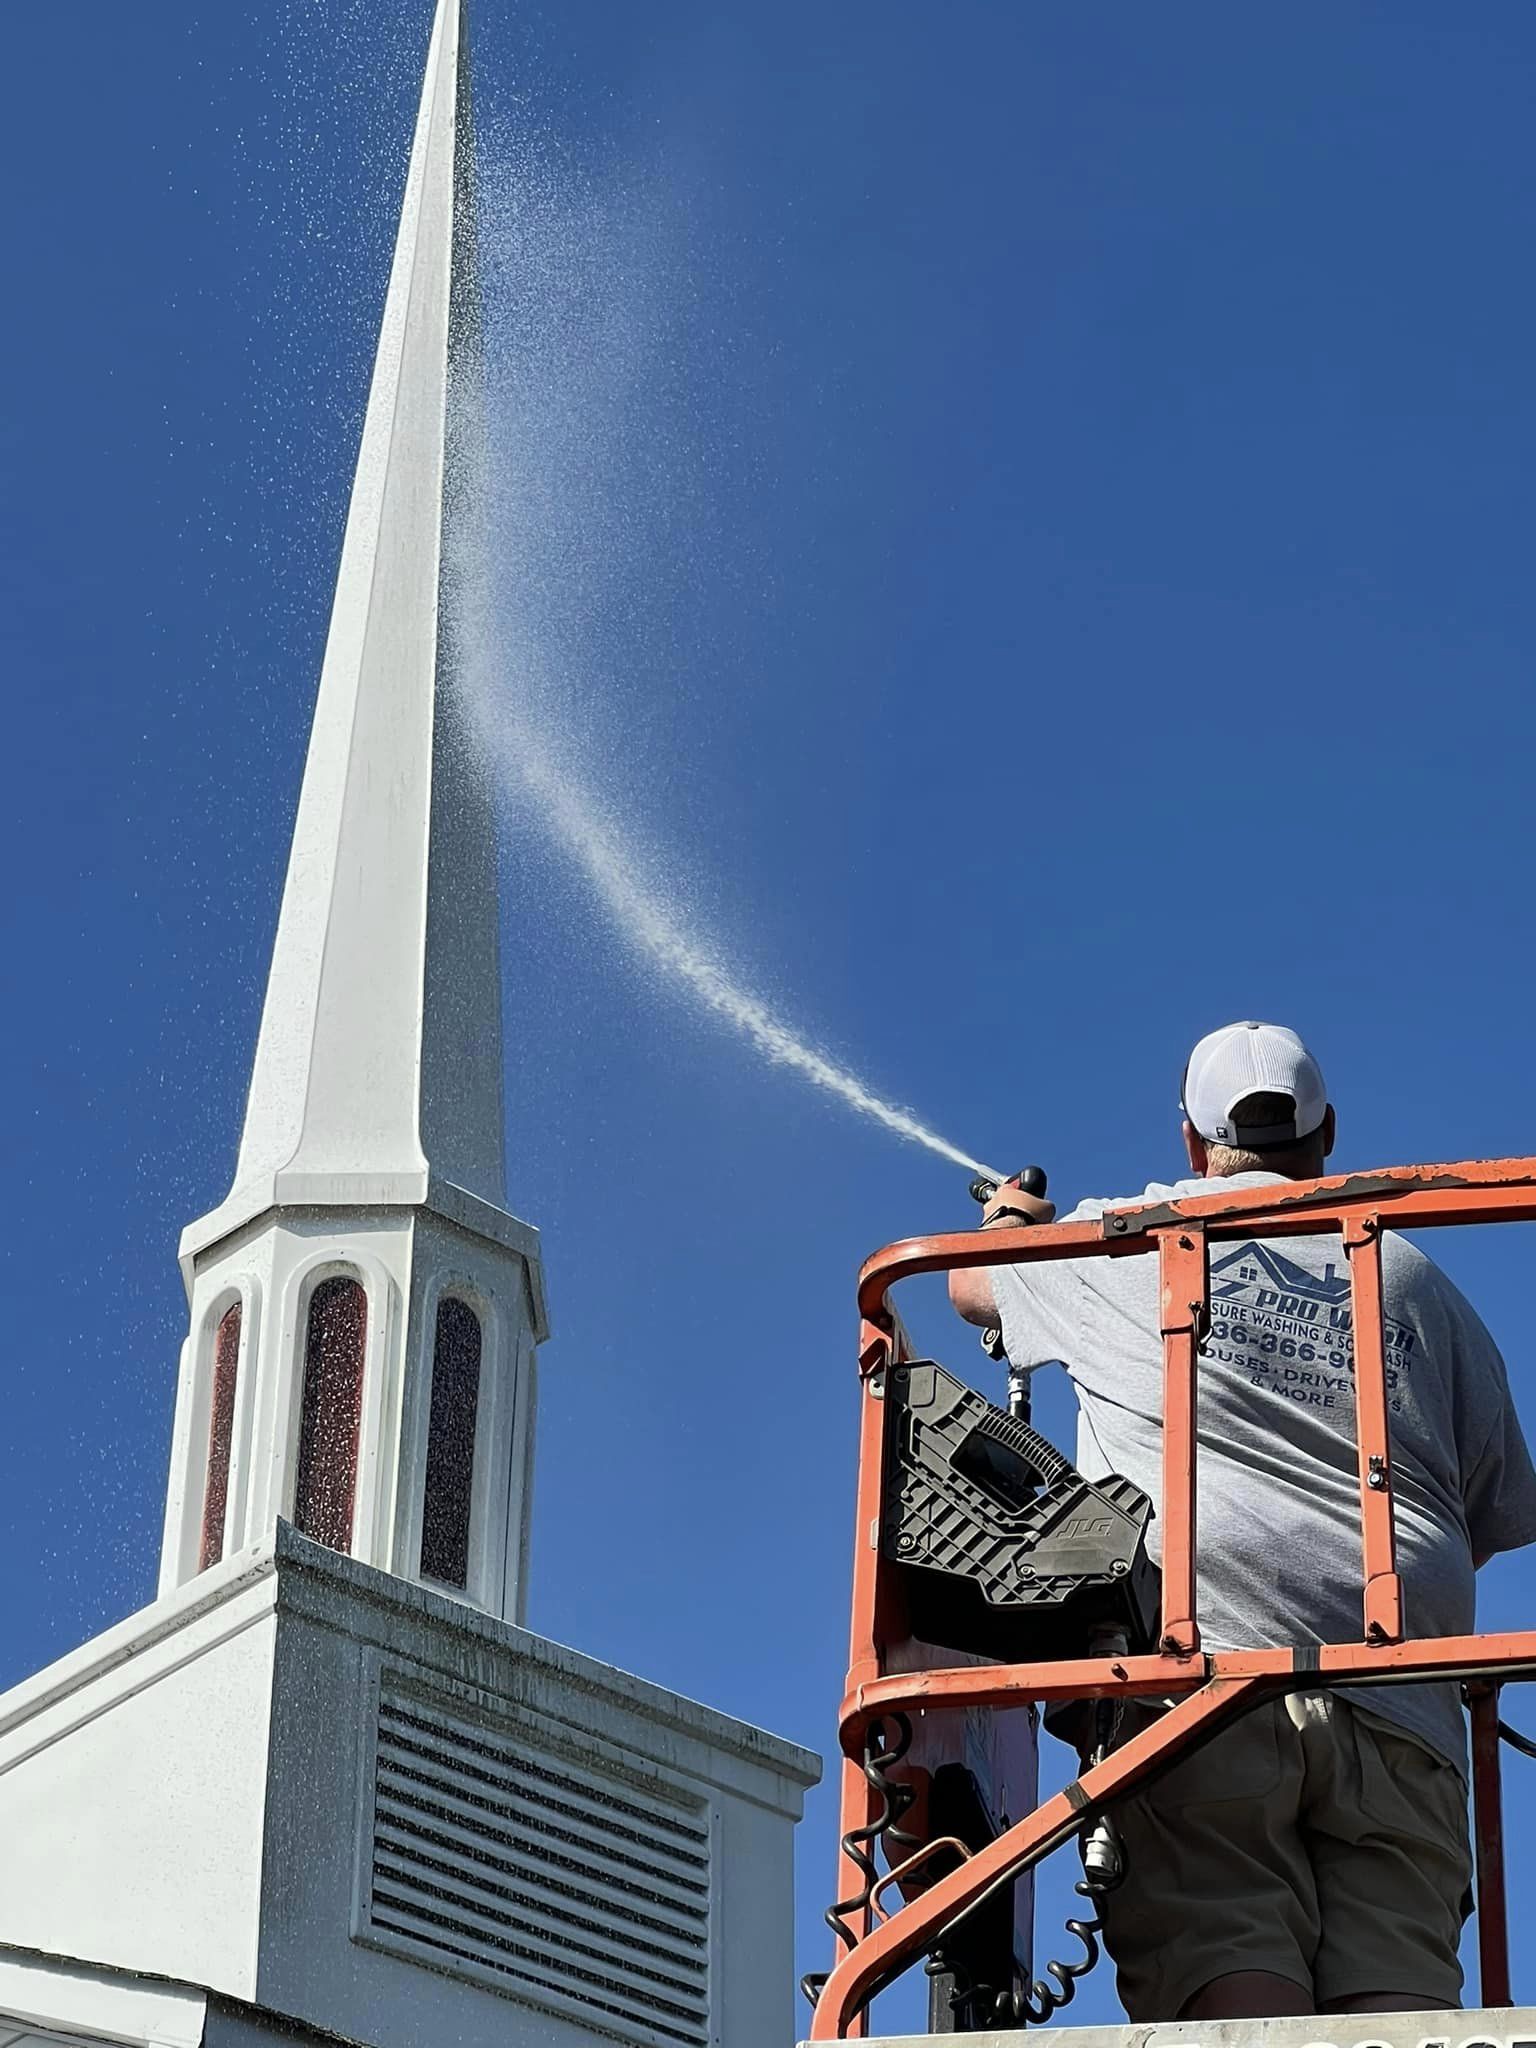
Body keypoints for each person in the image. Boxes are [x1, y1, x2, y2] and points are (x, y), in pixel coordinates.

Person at [949, 1021, 1536, 2025]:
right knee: (1396, 2004)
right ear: (1327, 1132)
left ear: (1192, 1141)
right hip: (1404, 1701)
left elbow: (971, 1284)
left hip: (1204, 1682)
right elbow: (1495, 1508)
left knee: (1227, 1951)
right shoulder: (1416, 1278)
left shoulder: (1131, 1235)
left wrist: (1011, 1220)